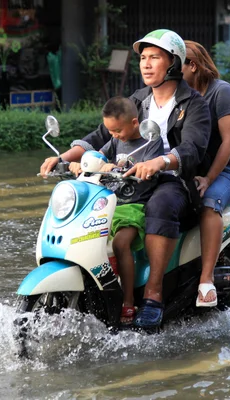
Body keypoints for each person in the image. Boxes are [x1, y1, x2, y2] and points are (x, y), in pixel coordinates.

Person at [40, 29, 211, 329]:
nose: (145, 64)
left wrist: (161, 162)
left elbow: (192, 148)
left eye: (154, 57)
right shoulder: (138, 100)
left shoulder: (193, 104)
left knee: (160, 206)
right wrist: (65, 158)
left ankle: (154, 293)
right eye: (143, 58)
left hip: (172, 181)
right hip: (128, 178)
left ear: (173, 62)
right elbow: (102, 136)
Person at [69, 96, 164, 325]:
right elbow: (97, 158)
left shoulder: (150, 142)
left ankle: (128, 301)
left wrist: (128, 167)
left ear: (134, 122)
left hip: (135, 206)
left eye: (117, 130)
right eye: (110, 131)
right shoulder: (115, 142)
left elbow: (148, 168)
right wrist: (80, 163)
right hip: (112, 203)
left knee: (121, 243)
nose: (114, 135)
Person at [182, 40, 230, 307]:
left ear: (193, 65)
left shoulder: (222, 92)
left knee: (208, 204)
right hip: (190, 171)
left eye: (177, 65)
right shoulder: (178, 96)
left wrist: (209, 178)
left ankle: (205, 282)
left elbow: (229, 142)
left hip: (227, 171)